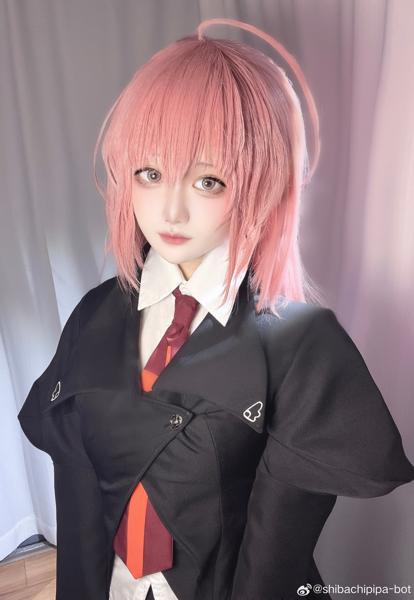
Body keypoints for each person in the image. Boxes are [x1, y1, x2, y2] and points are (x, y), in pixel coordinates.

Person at [18, 17, 414, 600]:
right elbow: (77, 497)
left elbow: (274, 552)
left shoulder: (301, 344)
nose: (171, 211)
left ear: (262, 182)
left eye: (208, 181)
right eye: (150, 174)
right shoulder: (94, 315)